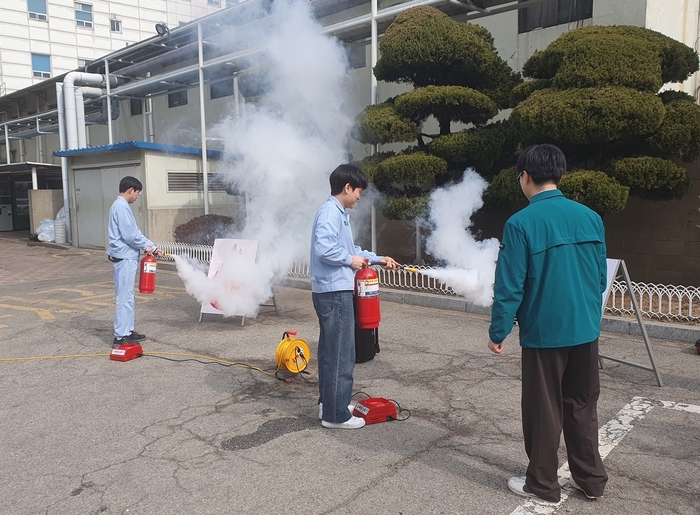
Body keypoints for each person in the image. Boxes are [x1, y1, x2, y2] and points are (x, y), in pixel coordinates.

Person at [487, 144, 608, 502]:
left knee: (544, 411)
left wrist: (498, 331)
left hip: (544, 333)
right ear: (560, 175)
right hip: (585, 329)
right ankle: (591, 480)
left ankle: (542, 484)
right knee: (582, 406)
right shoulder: (590, 217)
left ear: (525, 176)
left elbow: (509, 287)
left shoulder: (520, 223)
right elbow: (600, 280)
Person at [310, 163, 399, 429]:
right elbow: (324, 248)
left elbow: (351, 249)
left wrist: (377, 259)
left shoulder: (337, 213)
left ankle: (330, 404)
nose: (359, 197)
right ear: (347, 187)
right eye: (358, 191)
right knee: (342, 354)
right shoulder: (330, 213)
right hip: (335, 292)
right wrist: (351, 261)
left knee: (330, 352)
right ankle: (336, 416)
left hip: (332, 290)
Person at [107, 176, 163, 348]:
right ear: (131, 190)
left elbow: (134, 232)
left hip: (127, 257)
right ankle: (121, 335)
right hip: (124, 258)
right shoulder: (121, 207)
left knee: (128, 296)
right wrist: (150, 247)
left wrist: (151, 246)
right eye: (137, 193)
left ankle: (128, 330)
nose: (137, 197)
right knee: (124, 297)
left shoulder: (121, 206)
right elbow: (130, 235)